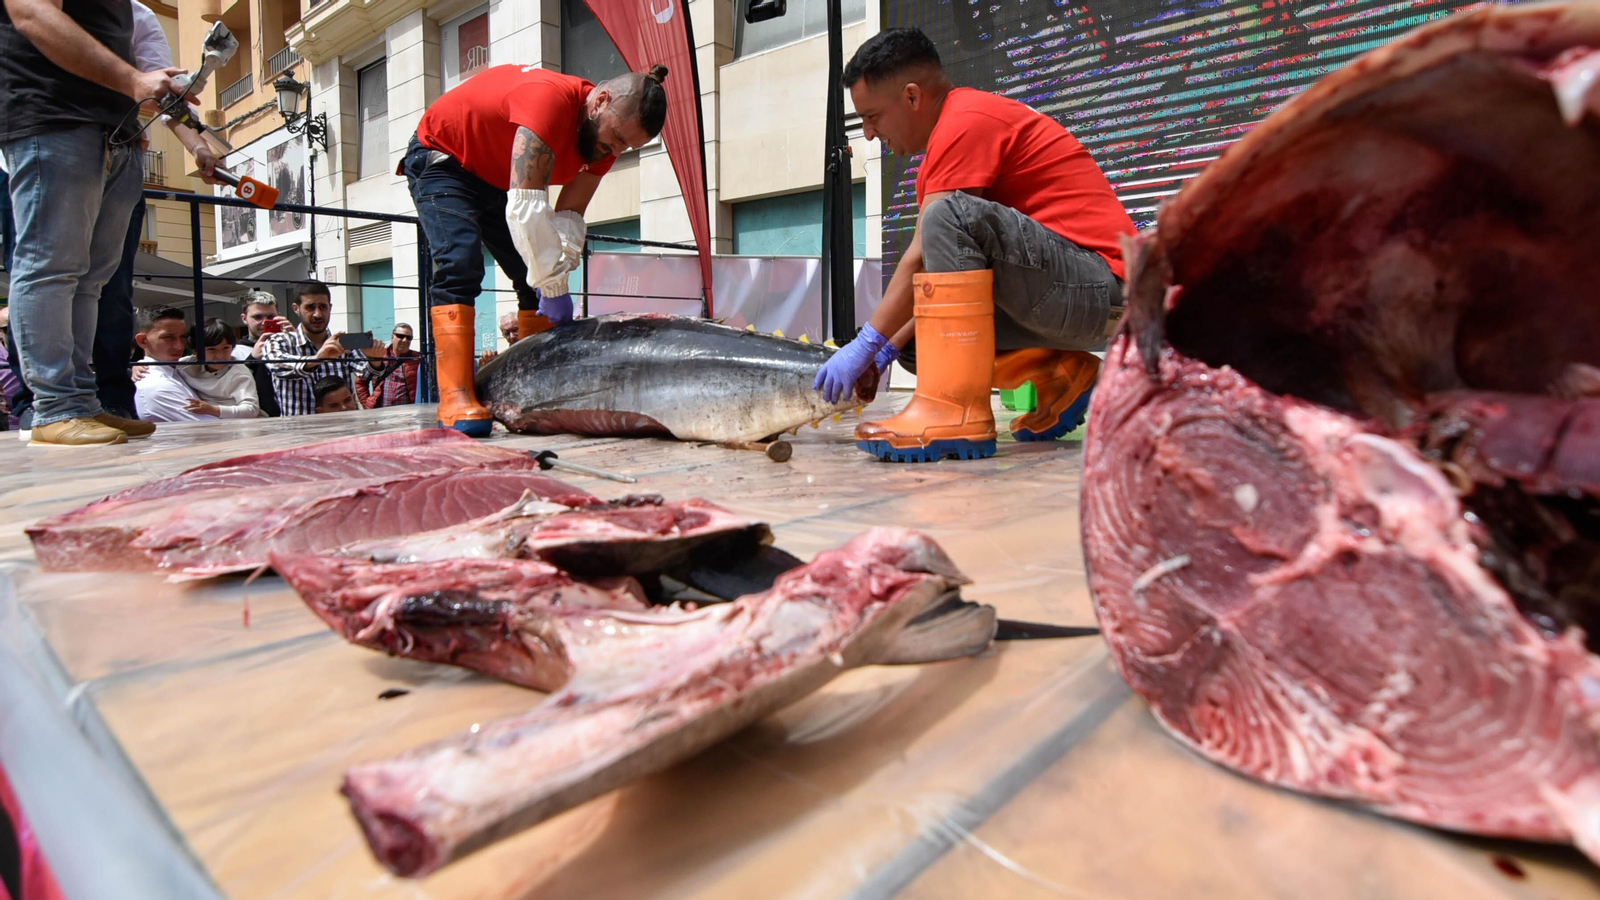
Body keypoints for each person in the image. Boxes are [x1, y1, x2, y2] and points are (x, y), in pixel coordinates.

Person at [815, 29, 1137, 463]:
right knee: (921, 340)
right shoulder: (941, 150)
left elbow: (921, 255)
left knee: (948, 216)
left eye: (873, 117)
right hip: (1067, 297)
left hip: (1105, 292)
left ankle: (955, 412)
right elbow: (935, 279)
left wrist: (865, 343)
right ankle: (1062, 378)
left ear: (912, 97)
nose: (870, 135)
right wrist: (888, 351)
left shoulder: (967, 120)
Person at [401, 62, 669, 435]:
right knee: (460, 261)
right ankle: (455, 396)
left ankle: (533, 388)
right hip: (444, 159)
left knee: (532, 282)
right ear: (601, 102)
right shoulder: (549, 101)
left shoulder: (605, 141)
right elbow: (527, 212)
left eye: (628, 146)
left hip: (494, 178)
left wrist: (560, 272)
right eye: (618, 139)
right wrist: (555, 288)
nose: (617, 150)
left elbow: (570, 215)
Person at [1, 0, 218, 445]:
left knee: (90, 280)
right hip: (54, 119)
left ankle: (80, 404)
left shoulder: (131, 8)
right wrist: (134, 79)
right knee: (50, 267)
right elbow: (30, 13)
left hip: (115, 132)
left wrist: (192, 139)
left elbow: (151, 75)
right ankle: (53, 408)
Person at [258, 281, 383, 416]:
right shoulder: (279, 341)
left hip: (341, 429)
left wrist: (374, 360)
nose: (317, 314)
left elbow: (368, 374)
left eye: (323, 307)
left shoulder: (341, 343)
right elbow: (278, 367)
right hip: (299, 432)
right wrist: (318, 359)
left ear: (330, 308)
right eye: (310, 307)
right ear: (296, 308)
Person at [131, 306, 204, 423]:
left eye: (183, 337)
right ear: (142, 340)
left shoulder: (180, 368)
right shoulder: (156, 385)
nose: (179, 346)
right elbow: (208, 425)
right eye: (168, 338)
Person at [178, 318, 260, 419]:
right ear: (196, 351)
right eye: (211, 349)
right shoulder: (186, 365)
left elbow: (251, 410)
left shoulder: (239, 373)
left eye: (226, 348)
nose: (220, 356)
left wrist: (213, 409)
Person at [230, 290, 285, 417]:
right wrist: (252, 360)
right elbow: (230, 387)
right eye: (257, 317)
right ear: (244, 319)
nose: (264, 322)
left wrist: (293, 341)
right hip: (256, 420)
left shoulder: (290, 344)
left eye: (271, 317)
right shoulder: (235, 352)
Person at [353, 323, 419, 409]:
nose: (405, 340)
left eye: (409, 338)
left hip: (407, 414)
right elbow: (361, 382)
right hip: (382, 414)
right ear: (392, 337)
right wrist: (367, 405)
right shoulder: (379, 356)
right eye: (400, 336)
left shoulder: (416, 359)